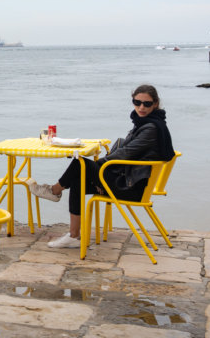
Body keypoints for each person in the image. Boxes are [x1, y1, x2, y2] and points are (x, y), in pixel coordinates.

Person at [28, 84, 175, 249]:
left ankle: (54, 191)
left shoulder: (151, 128)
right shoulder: (148, 123)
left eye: (146, 104)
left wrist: (100, 173)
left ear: (155, 104)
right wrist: (99, 177)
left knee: (80, 163)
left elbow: (125, 153)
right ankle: (74, 236)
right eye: (137, 102)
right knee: (78, 180)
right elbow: (126, 153)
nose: (141, 107)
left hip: (131, 189)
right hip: (128, 181)